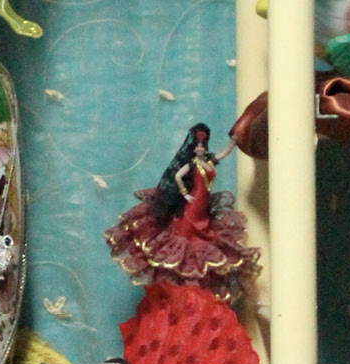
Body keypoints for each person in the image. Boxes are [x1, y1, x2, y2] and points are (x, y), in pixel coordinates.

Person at [106, 122, 260, 303]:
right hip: (191, 208)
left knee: (206, 238)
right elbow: (178, 176)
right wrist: (185, 194)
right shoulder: (191, 164)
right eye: (198, 146)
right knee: (186, 239)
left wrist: (233, 142)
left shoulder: (209, 161)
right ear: (193, 148)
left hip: (203, 209)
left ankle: (194, 293)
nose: (201, 148)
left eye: (203, 145)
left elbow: (223, 154)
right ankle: (181, 291)